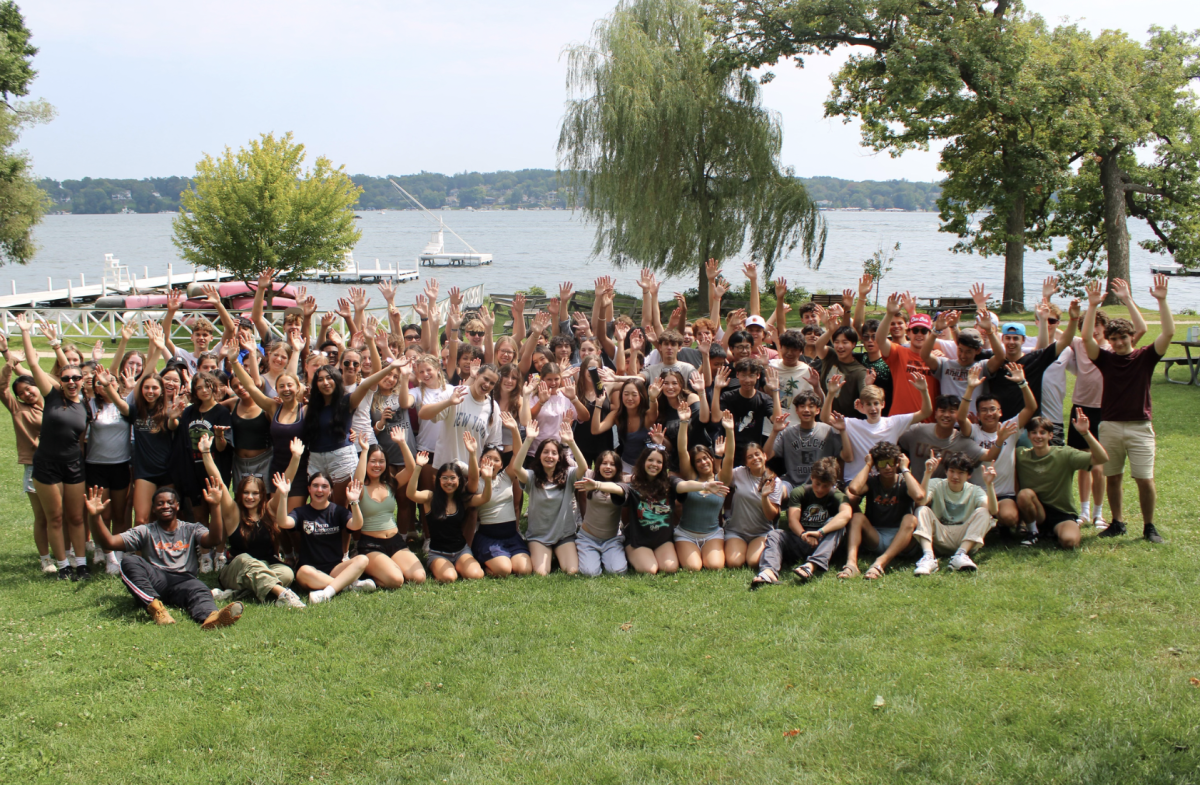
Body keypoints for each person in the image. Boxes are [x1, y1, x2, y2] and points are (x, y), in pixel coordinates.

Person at [1082, 275, 1173, 543]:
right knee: (1113, 477)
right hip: (1110, 425)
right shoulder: (1105, 359)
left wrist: (1162, 301)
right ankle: (1117, 522)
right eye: (1114, 338)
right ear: (1108, 340)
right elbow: (1087, 337)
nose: (1119, 342)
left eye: (1123, 337)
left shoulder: (1145, 357)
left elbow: (1168, 332)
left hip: (1140, 426)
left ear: (1132, 336)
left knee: (1144, 479)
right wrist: (1091, 306)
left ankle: (1149, 527)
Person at [87, 484, 243, 628]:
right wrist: (95, 517)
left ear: (177, 506)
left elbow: (214, 540)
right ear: (153, 509)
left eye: (170, 502)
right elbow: (109, 542)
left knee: (200, 588)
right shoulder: (145, 531)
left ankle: (211, 617)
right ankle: (155, 608)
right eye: (160, 503)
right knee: (129, 561)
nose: (165, 506)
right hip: (156, 580)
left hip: (184, 581)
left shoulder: (191, 528)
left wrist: (215, 506)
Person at [16, 314, 91, 580]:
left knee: (77, 517)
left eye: (76, 378)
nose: (72, 382)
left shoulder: (85, 403)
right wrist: (26, 332)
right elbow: (33, 364)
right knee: (55, 518)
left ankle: (81, 564)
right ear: (60, 380)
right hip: (45, 465)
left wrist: (59, 347)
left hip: (73, 465)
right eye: (67, 378)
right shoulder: (50, 396)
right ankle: (62, 566)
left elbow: (73, 371)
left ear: (82, 381)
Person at [201, 434, 306, 608]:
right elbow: (218, 480)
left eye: (255, 493)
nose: (250, 497)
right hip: (236, 568)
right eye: (246, 493)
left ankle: (236, 594)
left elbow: (285, 483)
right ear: (240, 494)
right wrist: (205, 452)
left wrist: (295, 457)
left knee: (287, 573)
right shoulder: (233, 512)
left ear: (262, 495)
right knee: (245, 560)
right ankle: (284, 595)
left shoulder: (269, 510)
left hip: (266, 565)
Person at [957, 364, 1036, 538]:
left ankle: (1002, 524)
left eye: (993, 409)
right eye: (984, 410)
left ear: (1000, 412)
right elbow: (961, 418)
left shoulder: (1009, 428)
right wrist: (970, 388)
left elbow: (1030, 408)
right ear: (977, 414)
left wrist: (1023, 382)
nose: (989, 413)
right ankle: (992, 525)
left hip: (1004, 494)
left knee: (1009, 517)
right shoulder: (974, 432)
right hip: (979, 493)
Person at [750, 457, 852, 588]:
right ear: (812, 478)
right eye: (817, 484)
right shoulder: (800, 492)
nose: (820, 489)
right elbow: (793, 521)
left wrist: (820, 532)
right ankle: (768, 572)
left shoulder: (838, 495)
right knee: (776, 534)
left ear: (832, 483)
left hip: (825, 543)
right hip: (801, 538)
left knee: (838, 525)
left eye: (825, 486)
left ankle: (811, 566)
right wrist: (803, 534)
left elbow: (846, 514)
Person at [275, 471, 375, 603]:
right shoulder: (301, 512)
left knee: (362, 559)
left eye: (324, 486)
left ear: (331, 491)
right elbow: (283, 522)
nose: (319, 490)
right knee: (302, 572)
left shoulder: (337, 511)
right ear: (309, 489)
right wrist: (283, 496)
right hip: (310, 570)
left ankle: (327, 592)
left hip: (335, 569)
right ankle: (348, 585)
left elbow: (356, 525)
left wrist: (354, 502)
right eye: (315, 486)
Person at [1015, 413, 1109, 549]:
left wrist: (1086, 433)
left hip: (1061, 513)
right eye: (1034, 432)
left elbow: (1101, 458)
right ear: (1028, 436)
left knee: (1070, 542)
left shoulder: (1065, 454)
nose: (1038, 436)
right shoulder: (1021, 455)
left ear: (1050, 435)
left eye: (1043, 432)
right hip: (1036, 511)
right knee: (1024, 494)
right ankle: (1033, 531)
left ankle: (1053, 532)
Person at [405, 445, 493, 584]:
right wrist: (418, 467)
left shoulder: (462, 500)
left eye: (453, 478)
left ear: (459, 480)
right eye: (444, 478)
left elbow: (484, 498)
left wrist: (487, 479)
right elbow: (411, 494)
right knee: (449, 578)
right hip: (438, 553)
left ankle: (457, 566)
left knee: (476, 575)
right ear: (438, 480)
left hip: (461, 551)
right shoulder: (430, 497)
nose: (449, 482)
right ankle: (443, 568)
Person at [351, 433, 427, 588]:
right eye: (373, 461)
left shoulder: (390, 484)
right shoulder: (360, 488)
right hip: (371, 544)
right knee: (396, 580)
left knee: (419, 577)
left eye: (381, 461)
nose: (377, 465)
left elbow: (411, 468)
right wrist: (364, 451)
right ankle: (368, 577)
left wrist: (402, 442)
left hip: (395, 540)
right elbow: (357, 480)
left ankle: (387, 567)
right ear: (366, 463)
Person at [822, 376, 931, 484]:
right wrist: (831, 394)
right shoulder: (852, 424)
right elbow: (825, 418)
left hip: (883, 478)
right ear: (862, 406)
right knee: (851, 497)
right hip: (855, 478)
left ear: (883, 404)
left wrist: (924, 390)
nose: (873, 408)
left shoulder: (894, 423)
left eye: (876, 403)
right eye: (868, 404)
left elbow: (925, 412)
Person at [839, 443, 922, 580]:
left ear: (897, 462)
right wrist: (867, 465)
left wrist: (904, 469)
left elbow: (919, 496)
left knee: (910, 518)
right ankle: (851, 564)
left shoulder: (904, 481)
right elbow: (854, 489)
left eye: (891, 462)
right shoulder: (872, 482)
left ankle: (880, 563)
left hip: (901, 539)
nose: (888, 467)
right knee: (857, 517)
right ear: (876, 466)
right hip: (876, 536)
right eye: (883, 463)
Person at [0, 337, 48, 573]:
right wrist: (9, 362)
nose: (27, 394)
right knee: (42, 517)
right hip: (34, 466)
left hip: (61, 464)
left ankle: (67, 553)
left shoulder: (53, 401)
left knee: (59, 515)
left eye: (29, 388)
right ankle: (45, 559)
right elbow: (1, 388)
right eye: (22, 393)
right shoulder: (18, 410)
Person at [511, 421, 585, 575]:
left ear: (559, 457)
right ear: (539, 456)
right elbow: (516, 468)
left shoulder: (569, 475)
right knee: (541, 572)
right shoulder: (531, 477)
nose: (549, 456)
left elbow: (583, 467)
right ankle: (548, 554)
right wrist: (529, 439)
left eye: (553, 453)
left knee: (572, 571)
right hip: (539, 536)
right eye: (545, 452)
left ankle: (558, 553)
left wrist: (571, 442)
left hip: (564, 535)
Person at [912, 452, 998, 575]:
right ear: (946, 471)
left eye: (961, 472)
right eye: (952, 471)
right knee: (921, 510)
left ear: (969, 475)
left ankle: (961, 554)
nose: (955, 476)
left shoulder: (975, 490)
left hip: (965, 538)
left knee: (984, 512)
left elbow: (993, 511)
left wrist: (989, 485)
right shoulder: (936, 483)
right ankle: (928, 557)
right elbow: (921, 501)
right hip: (940, 535)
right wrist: (927, 474)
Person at [673, 404, 733, 571]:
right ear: (694, 464)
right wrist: (684, 422)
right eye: (698, 460)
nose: (703, 462)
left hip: (712, 534)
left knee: (714, 566)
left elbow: (730, 458)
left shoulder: (722, 479)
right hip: (686, 534)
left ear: (712, 458)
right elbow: (682, 450)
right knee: (693, 567)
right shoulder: (692, 478)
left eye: (706, 458)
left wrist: (729, 431)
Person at [473, 421, 533, 577]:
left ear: (501, 465)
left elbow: (518, 454)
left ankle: (505, 557)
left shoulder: (506, 477)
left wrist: (514, 429)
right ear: (480, 461)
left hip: (511, 535)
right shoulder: (475, 482)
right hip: (489, 537)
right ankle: (487, 564)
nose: (491, 463)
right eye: (487, 459)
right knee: (504, 570)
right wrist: (485, 478)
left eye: (496, 460)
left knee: (524, 570)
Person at [726, 413, 785, 570]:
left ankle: (753, 548)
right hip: (736, 531)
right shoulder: (739, 473)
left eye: (757, 454)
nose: (755, 458)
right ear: (746, 462)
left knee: (753, 562)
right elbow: (722, 478)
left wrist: (765, 497)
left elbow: (772, 516)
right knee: (734, 563)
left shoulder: (774, 481)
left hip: (761, 532)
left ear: (764, 456)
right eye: (750, 457)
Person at [875, 294, 940, 419]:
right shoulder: (898, 352)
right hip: (900, 421)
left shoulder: (937, 359)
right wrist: (889, 314)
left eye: (924, 331)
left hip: (928, 422)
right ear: (908, 333)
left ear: (930, 334)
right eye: (915, 331)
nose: (919, 334)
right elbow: (880, 340)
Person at [710, 360, 781, 464]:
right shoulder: (728, 397)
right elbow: (716, 418)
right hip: (730, 450)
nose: (747, 380)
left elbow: (776, 421)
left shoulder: (764, 399)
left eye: (751, 375)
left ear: (757, 376)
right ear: (737, 375)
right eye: (743, 375)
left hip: (753, 452)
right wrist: (717, 388)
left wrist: (775, 391)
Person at [766, 392, 841, 488]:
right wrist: (774, 431)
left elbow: (845, 457)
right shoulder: (788, 432)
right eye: (802, 406)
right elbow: (767, 456)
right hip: (792, 483)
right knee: (776, 490)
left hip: (822, 483)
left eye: (811, 406)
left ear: (818, 410)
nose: (806, 410)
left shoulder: (828, 430)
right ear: (796, 410)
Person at [573, 450, 629, 576]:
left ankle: (609, 556)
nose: (608, 467)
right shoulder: (589, 477)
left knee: (618, 572)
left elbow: (639, 475)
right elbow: (578, 464)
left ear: (618, 468)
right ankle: (591, 555)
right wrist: (570, 443)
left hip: (612, 539)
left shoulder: (622, 483)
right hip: (588, 539)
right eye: (604, 463)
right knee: (589, 573)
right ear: (598, 466)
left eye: (612, 464)